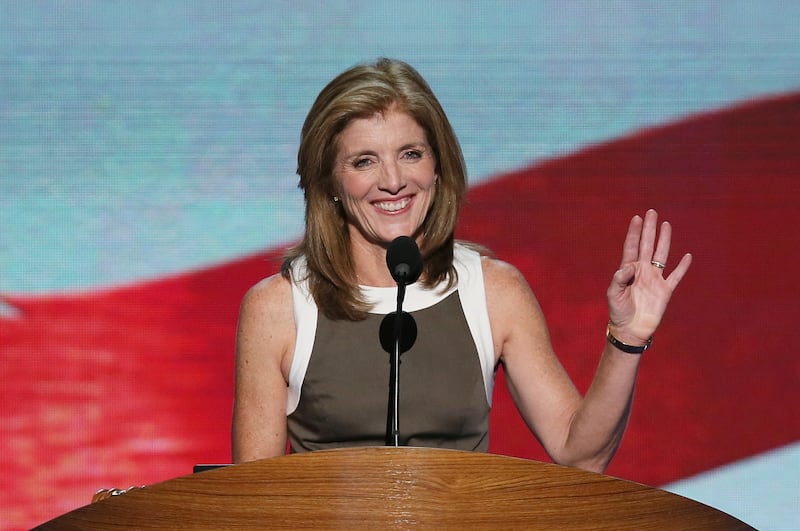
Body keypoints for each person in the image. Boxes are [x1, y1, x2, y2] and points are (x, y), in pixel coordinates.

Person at [231, 58, 692, 473]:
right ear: (330, 180)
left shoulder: (494, 290)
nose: (393, 181)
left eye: (411, 154)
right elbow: (252, 499)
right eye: (364, 161)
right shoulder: (278, 307)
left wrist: (627, 339)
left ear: (437, 166)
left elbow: (581, 454)